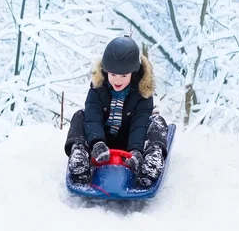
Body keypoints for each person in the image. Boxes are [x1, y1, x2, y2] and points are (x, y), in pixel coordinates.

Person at [64, 36, 169, 188]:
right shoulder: (97, 88)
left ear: (134, 73)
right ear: (105, 71)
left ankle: (152, 160)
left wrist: (136, 150)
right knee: (80, 115)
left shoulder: (142, 93)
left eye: (124, 76)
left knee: (156, 122)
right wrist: (96, 142)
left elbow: (139, 124)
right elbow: (93, 118)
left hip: (130, 142)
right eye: (113, 75)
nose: (117, 80)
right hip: (102, 141)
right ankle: (79, 155)